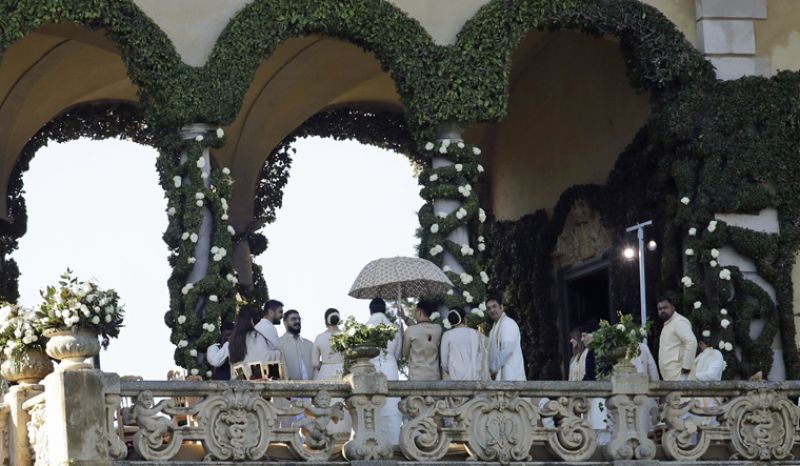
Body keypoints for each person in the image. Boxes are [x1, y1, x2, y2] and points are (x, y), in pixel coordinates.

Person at [366, 298, 402, 445]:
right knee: (392, 404)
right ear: (385, 310)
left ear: (370, 310)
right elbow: (398, 354)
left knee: (373, 404)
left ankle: (373, 442)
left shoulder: (365, 327)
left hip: (371, 368)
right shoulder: (393, 327)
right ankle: (394, 441)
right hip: (390, 367)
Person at [312, 308, 351, 437]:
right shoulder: (346, 335)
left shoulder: (319, 337)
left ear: (325, 320)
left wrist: (325, 366)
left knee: (325, 403)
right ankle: (343, 434)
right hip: (343, 373)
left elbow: (314, 363)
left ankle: (325, 434)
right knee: (342, 401)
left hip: (325, 372)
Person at [228, 308, 282, 379]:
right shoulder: (255, 336)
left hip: (239, 380)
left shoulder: (232, 341)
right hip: (253, 379)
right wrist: (278, 353)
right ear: (250, 321)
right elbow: (262, 357)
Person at [689, 332, 726, 426]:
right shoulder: (698, 357)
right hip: (695, 397)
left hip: (709, 397)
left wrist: (693, 377)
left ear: (700, 343)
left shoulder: (716, 354)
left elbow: (712, 375)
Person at [486, 295, 526, 381]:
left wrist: (493, 368)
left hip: (511, 374)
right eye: (489, 308)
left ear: (501, 307)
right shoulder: (494, 327)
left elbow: (507, 349)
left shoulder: (508, 323)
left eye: (494, 306)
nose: (492, 310)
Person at [657, 297, 697, 381]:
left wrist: (686, 369)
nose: (662, 311)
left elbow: (691, 342)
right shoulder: (668, 324)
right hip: (672, 377)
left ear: (673, 307)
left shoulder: (678, 322)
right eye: (660, 309)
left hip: (681, 377)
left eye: (665, 307)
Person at [402, 300, 442, 381]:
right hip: (434, 377)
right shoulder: (438, 329)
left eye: (415, 311)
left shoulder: (410, 330)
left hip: (416, 377)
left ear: (419, 312)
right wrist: (405, 318)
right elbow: (421, 330)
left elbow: (404, 354)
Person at [440, 309, 484, 380]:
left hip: (455, 379)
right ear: (465, 319)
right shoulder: (475, 333)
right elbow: (480, 356)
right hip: (474, 378)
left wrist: (452, 371)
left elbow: (444, 363)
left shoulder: (447, 335)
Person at [279, 310, 314, 381]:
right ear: (285, 323)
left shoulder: (310, 344)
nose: (297, 321)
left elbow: (315, 368)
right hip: (290, 389)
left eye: (299, 319)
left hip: (312, 388)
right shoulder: (279, 343)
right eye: (293, 319)